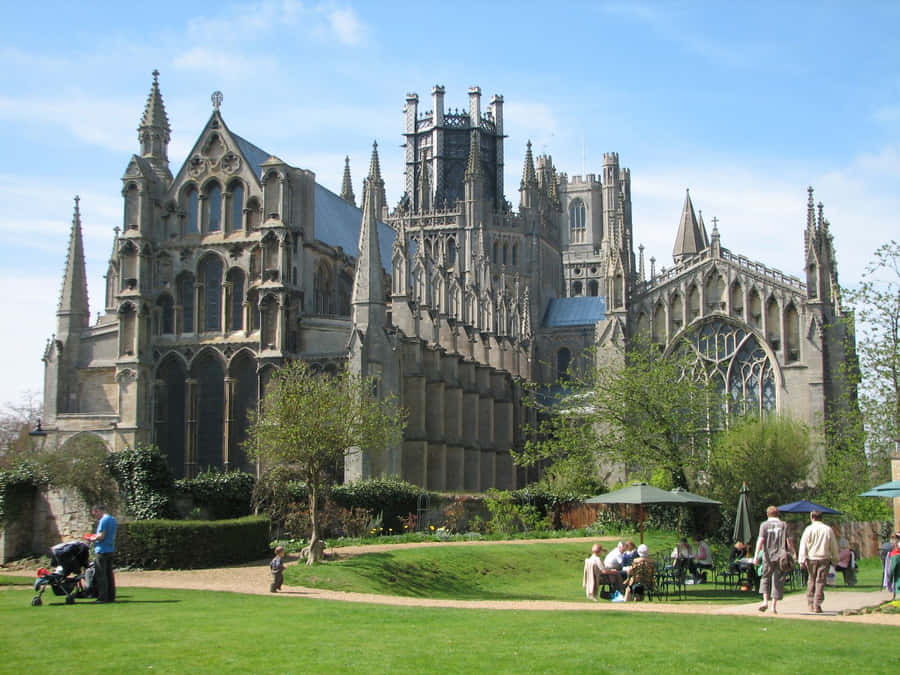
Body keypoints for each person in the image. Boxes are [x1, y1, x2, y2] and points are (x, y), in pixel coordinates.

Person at [798, 510, 840, 613]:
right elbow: (833, 545)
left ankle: (811, 603)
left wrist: (801, 560)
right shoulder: (827, 529)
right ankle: (817, 604)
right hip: (824, 558)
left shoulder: (808, 529)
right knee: (820, 581)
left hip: (811, 558)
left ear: (812, 517)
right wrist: (835, 559)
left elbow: (803, 545)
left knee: (811, 580)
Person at [755, 505, 793, 614]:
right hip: (781, 556)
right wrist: (793, 553)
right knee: (778, 579)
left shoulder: (764, 525)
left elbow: (760, 540)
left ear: (767, 514)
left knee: (765, 577)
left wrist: (757, 555)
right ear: (778, 514)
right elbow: (788, 541)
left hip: (768, 556)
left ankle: (765, 601)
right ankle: (773, 606)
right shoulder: (784, 525)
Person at [85, 504, 117, 603]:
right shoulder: (112, 519)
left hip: (102, 550)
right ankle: (111, 596)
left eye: (95, 514)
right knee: (109, 575)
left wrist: (91, 538)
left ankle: (103, 598)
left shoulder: (103, 520)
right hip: (110, 549)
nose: (95, 516)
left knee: (101, 575)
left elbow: (102, 536)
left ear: (98, 510)